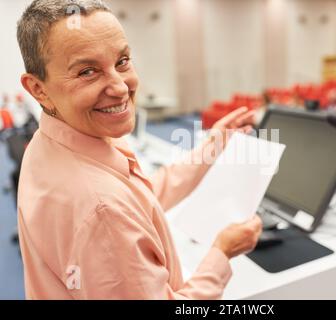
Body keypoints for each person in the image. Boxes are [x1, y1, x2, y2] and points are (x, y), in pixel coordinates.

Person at [17, 0, 262, 300]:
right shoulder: (101, 210)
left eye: (122, 61)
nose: (120, 87)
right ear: (38, 88)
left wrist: (212, 146)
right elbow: (112, 211)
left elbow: (139, 200)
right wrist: (222, 253)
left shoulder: (57, 138)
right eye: (87, 72)